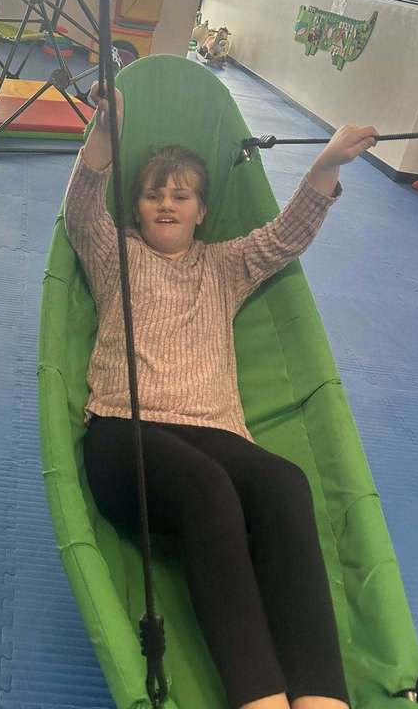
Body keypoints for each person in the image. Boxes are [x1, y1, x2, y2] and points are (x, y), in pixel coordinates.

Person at [64, 82, 379, 709]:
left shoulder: (224, 265)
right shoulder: (114, 252)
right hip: (125, 436)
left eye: (180, 195)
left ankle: (320, 698)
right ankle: (259, 697)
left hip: (212, 432)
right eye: (154, 194)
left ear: (202, 211)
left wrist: (327, 165)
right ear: (139, 206)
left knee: (285, 482)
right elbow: (82, 203)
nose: (165, 204)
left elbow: (286, 235)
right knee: (209, 489)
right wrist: (108, 127)